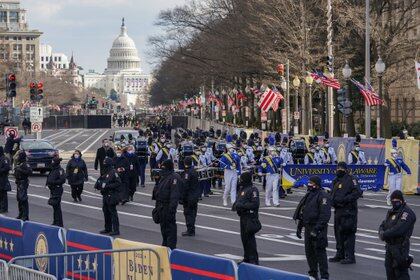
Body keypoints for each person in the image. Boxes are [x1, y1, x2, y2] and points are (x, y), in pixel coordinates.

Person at [294, 176, 331, 280]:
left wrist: (317, 228)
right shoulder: (309, 194)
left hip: (318, 229)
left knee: (320, 252)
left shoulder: (323, 196)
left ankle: (324, 276)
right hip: (308, 227)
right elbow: (303, 211)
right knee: (309, 252)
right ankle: (313, 274)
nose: (309, 184)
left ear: (317, 184)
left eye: (311, 183)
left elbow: (325, 215)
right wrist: (299, 227)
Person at [329, 162, 363, 264]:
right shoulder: (336, 180)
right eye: (338, 168)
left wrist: (345, 199)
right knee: (338, 232)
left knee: (348, 233)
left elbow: (357, 192)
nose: (339, 170)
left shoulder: (352, 179)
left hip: (348, 210)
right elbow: (332, 193)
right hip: (338, 210)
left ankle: (350, 256)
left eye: (341, 168)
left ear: (345, 169)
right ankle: (340, 254)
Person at [379, 190, 416, 280]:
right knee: (390, 272)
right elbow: (383, 225)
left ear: (401, 200)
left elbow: (399, 229)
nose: (394, 202)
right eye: (393, 200)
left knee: (400, 273)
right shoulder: (391, 211)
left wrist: (384, 234)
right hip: (389, 247)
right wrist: (381, 232)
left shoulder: (406, 213)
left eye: (397, 200)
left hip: (400, 247)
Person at [152, 159, 181, 249]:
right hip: (161, 206)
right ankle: (165, 246)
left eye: (164, 168)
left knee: (170, 230)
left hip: (168, 207)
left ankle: (171, 249)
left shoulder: (174, 177)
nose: (162, 170)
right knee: (163, 229)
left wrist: (171, 210)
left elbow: (174, 195)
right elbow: (156, 192)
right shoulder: (163, 177)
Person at [234, 172, 260, 265]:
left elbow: (255, 204)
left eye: (241, 179)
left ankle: (253, 259)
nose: (240, 181)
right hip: (243, 216)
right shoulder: (242, 189)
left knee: (250, 239)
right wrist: (236, 206)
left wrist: (243, 206)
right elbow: (238, 200)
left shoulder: (253, 190)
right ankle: (247, 257)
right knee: (244, 238)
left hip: (250, 217)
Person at [95, 157, 121, 236]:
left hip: (112, 195)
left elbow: (118, 183)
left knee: (113, 212)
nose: (104, 165)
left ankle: (116, 230)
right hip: (105, 194)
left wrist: (108, 186)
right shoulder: (105, 172)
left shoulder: (113, 172)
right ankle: (108, 228)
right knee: (106, 212)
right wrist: (98, 185)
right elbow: (100, 180)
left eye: (105, 163)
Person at [181, 157, 200, 236]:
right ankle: (192, 229)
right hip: (195, 195)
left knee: (188, 213)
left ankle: (190, 230)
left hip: (189, 196)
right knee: (193, 213)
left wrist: (181, 197)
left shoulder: (187, 173)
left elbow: (185, 186)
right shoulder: (194, 171)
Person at [46, 157, 66, 227]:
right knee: (55, 206)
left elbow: (62, 180)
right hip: (53, 189)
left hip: (57, 189)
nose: (52, 163)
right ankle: (55, 221)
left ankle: (59, 223)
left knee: (57, 206)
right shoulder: (53, 169)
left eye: (53, 161)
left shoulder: (60, 170)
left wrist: (53, 182)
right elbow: (49, 177)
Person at [14, 151, 32, 221]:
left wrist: (20, 170)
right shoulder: (19, 163)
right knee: (19, 199)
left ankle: (25, 215)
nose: (18, 157)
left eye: (19, 156)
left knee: (23, 199)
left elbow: (30, 172)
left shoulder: (25, 164)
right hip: (18, 182)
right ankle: (20, 213)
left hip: (23, 182)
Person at [0, 147, 11, 213]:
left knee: (3, 194)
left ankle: (4, 208)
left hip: (3, 178)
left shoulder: (4, 159)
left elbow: (7, 168)